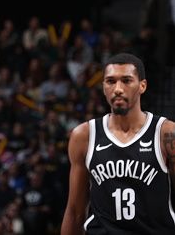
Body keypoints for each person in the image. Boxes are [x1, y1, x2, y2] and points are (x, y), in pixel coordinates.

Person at [61, 52, 175, 234]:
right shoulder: (83, 136)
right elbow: (75, 211)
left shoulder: (167, 134)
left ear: (142, 86)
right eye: (111, 81)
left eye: (127, 80)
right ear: (103, 86)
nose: (118, 89)